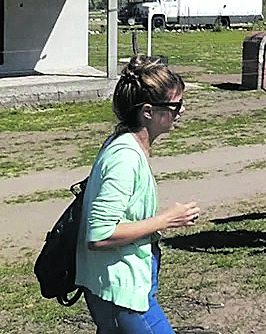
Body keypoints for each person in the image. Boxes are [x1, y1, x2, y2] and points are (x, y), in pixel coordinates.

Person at [75, 55, 200, 334]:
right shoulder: (125, 158)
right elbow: (99, 235)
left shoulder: (127, 144)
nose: (181, 111)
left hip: (115, 287)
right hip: (122, 295)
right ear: (147, 111)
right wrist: (166, 220)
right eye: (175, 105)